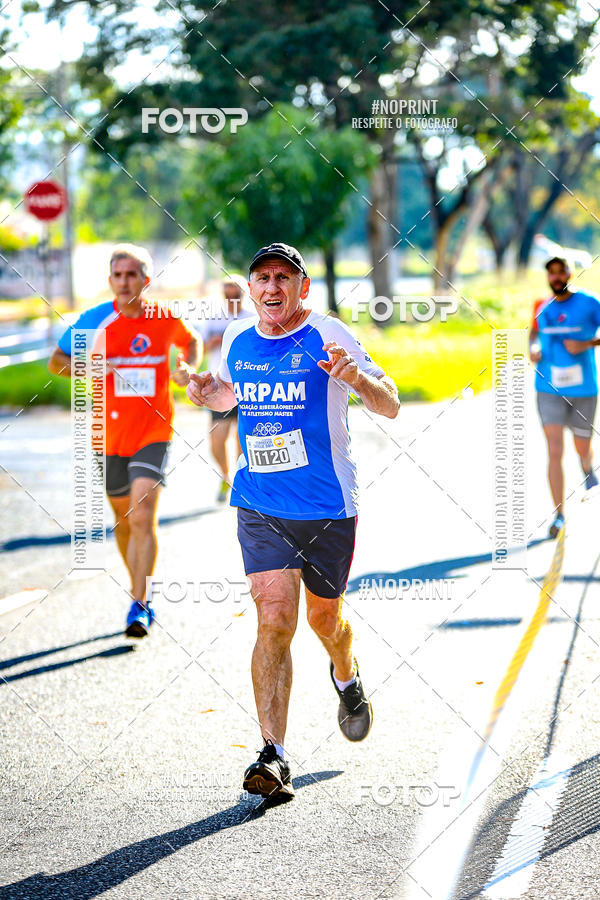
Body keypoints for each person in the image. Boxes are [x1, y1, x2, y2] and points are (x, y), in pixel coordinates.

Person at [187, 242, 400, 801]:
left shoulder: (329, 334)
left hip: (328, 507)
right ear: (251, 287)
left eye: (285, 277)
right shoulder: (238, 338)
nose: (272, 286)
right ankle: (274, 755)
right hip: (259, 503)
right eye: (262, 277)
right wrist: (213, 395)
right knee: (274, 620)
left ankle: (346, 673)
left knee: (324, 621)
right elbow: (234, 394)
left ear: (304, 287)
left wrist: (356, 379)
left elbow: (390, 403)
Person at [48, 244, 199, 636]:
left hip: (154, 431)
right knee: (124, 520)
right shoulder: (95, 319)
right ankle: (138, 588)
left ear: (146, 280)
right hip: (109, 434)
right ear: (110, 280)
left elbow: (190, 343)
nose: (124, 281)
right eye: (118, 275)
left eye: (132, 274)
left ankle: (139, 602)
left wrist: (186, 368)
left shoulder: (165, 318)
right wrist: (92, 365)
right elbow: (56, 362)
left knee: (143, 515)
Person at [529, 256, 600, 538]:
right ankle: (559, 515)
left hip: (584, 390)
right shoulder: (541, 307)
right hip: (548, 389)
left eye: (561, 272)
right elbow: (533, 333)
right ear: (547, 277)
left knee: (582, 446)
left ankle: (587, 466)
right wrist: (534, 348)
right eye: (551, 273)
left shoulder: (589, 302)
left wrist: (586, 343)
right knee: (555, 450)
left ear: (570, 274)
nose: (556, 277)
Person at [196, 276, 253, 502]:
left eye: (235, 294)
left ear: (243, 295)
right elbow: (198, 348)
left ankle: (240, 479)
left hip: (246, 386)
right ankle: (225, 475)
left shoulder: (252, 318)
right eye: (227, 294)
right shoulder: (213, 318)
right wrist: (215, 342)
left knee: (242, 438)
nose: (231, 298)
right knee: (216, 440)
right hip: (218, 386)